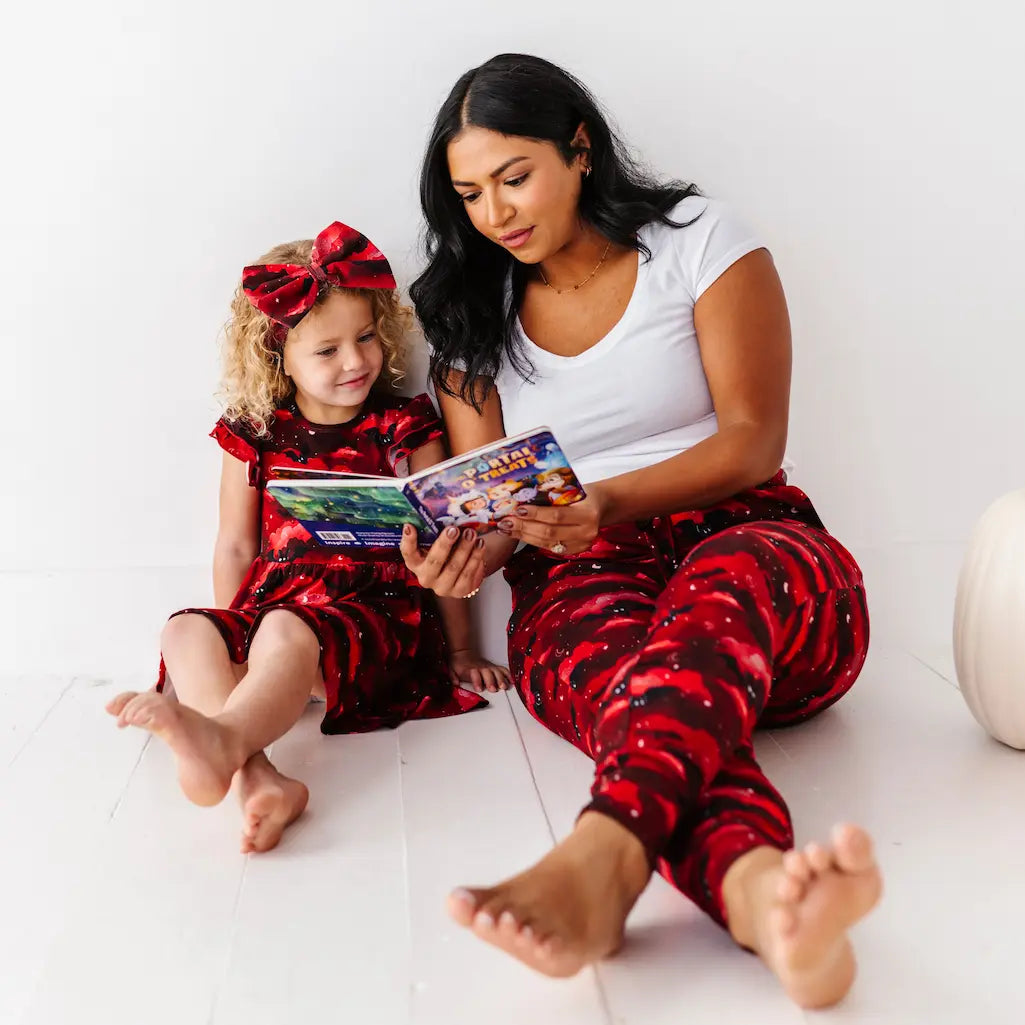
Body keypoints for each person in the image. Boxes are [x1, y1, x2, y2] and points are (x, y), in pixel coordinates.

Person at [402, 54, 883, 1009]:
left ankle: (600, 852)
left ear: (579, 149)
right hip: (580, 575)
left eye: (514, 177)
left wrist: (610, 500)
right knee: (645, 691)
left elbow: (754, 439)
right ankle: (766, 906)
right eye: (469, 194)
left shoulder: (699, 240)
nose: (494, 213)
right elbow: (500, 513)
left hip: (759, 562)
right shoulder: (468, 315)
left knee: (714, 601)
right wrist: (460, 556)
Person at [107, 220, 509, 855]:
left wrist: (462, 653)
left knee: (283, 631)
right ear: (278, 357)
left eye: (367, 337)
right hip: (277, 615)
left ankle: (224, 740)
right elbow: (236, 546)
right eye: (327, 350)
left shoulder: (404, 425)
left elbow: (446, 545)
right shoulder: (254, 433)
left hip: (374, 617)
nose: (356, 361)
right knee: (185, 630)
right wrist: (230, 635)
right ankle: (258, 777)